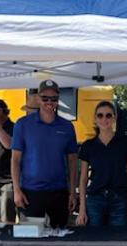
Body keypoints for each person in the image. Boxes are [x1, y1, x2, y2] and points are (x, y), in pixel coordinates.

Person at [11, 80, 78, 228]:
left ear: (58, 100)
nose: (49, 102)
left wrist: (73, 192)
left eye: (53, 99)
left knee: (59, 240)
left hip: (59, 193)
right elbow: (15, 159)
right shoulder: (22, 125)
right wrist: (16, 189)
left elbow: (73, 161)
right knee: (31, 243)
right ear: (38, 99)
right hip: (30, 193)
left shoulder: (67, 127)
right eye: (45, 98)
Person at [76, 101, 127, 226]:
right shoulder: (87, 146)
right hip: (95, 200)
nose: (104, 119)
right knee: (95, 239)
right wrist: (82, 209)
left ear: (114, 118)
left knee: (119, 239)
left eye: (108, 115)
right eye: (100, 115)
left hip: (119, 199)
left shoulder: (125, 143)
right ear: (95, 118)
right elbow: (83, 180)